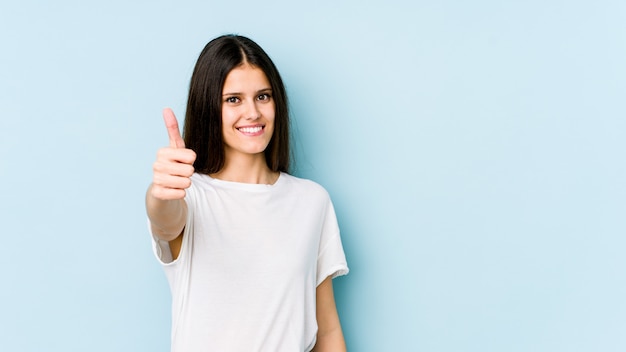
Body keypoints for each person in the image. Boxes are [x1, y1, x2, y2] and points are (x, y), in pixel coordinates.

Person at [145, 34, 349, 352]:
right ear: (208, 107)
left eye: (263, 96)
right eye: (233, 99)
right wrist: (161, 193)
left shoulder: (312, 202)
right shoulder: (189, 196)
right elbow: (165, 220)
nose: (253, 112)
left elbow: (327, 332)